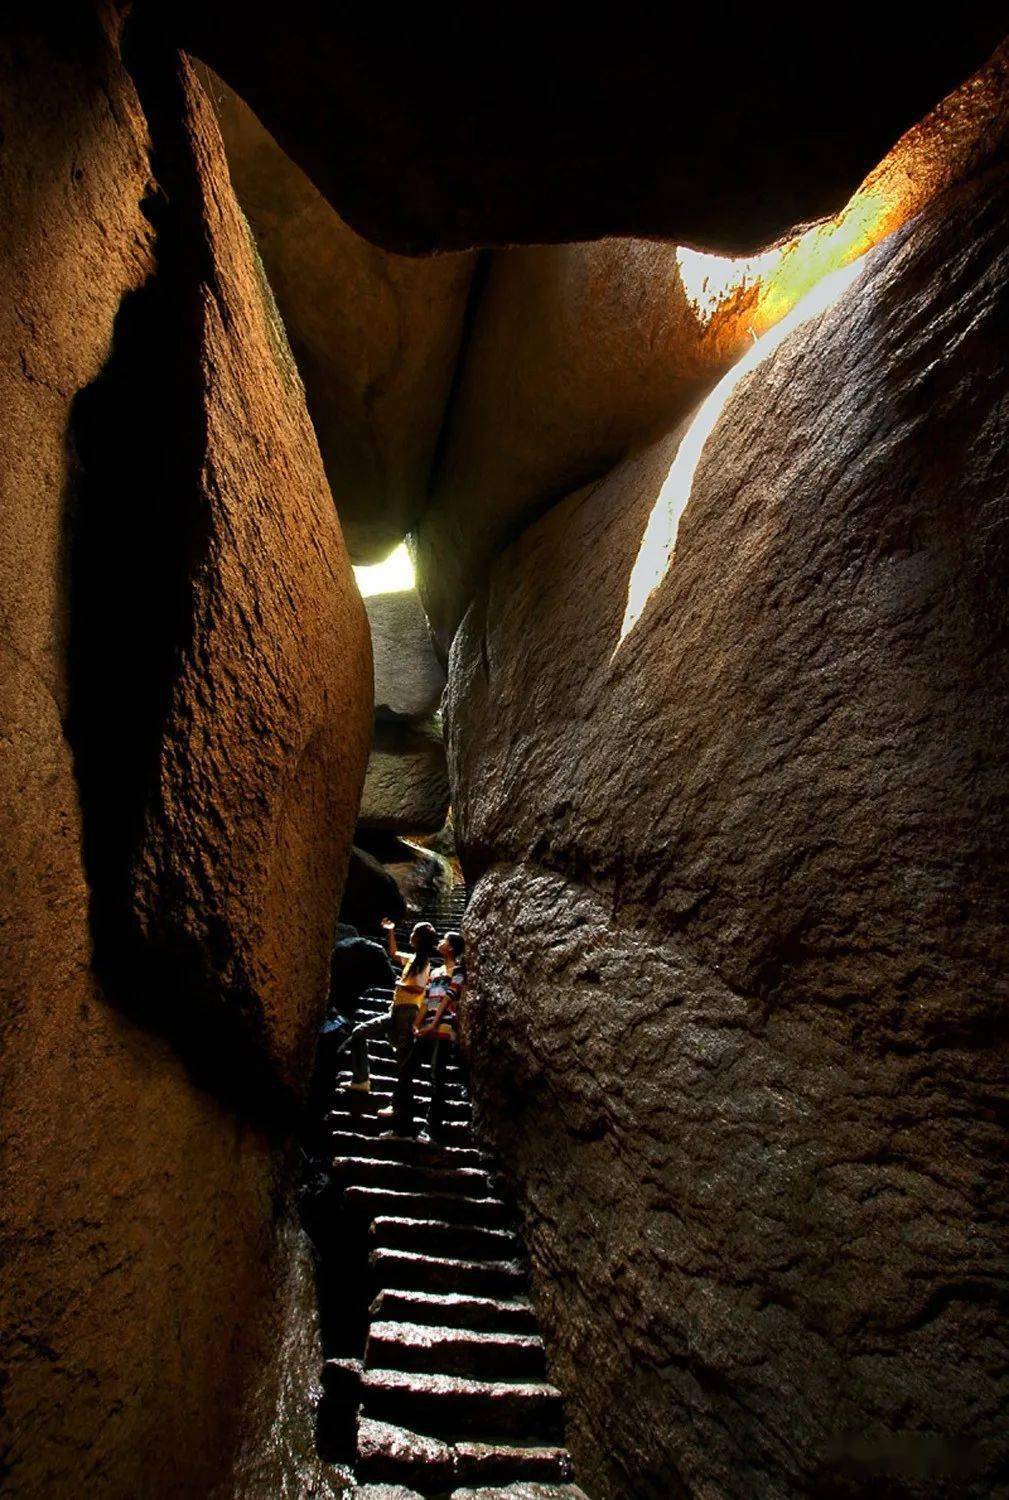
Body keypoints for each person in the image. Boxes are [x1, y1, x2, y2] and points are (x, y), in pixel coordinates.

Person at [342, 918, 438, 1136]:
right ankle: (361, 1079)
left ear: (419, 939)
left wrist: (400, 984)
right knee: (359, 1032)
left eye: (413, 932)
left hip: (407, 1014)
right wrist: (391, 932)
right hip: (395, 1012)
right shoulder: (414, 959)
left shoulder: (424, 964)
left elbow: (419, 990)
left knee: (404, 1069)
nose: (411, 935)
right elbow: (394, 953)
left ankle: (401, 1119)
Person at [401, 931, 466, 1141]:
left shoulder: (458, 971)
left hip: (444, 1029)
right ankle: (403, 1122)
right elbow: (427, 1000)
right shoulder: (436, 971)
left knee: (437, 1077)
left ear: (451, 948)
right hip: (428, 1026)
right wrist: (417, 1024)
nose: (440, 942)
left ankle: (432, 1129)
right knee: (407, 1068)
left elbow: (448, 1000)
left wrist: (432, 1025)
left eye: (444, 940)